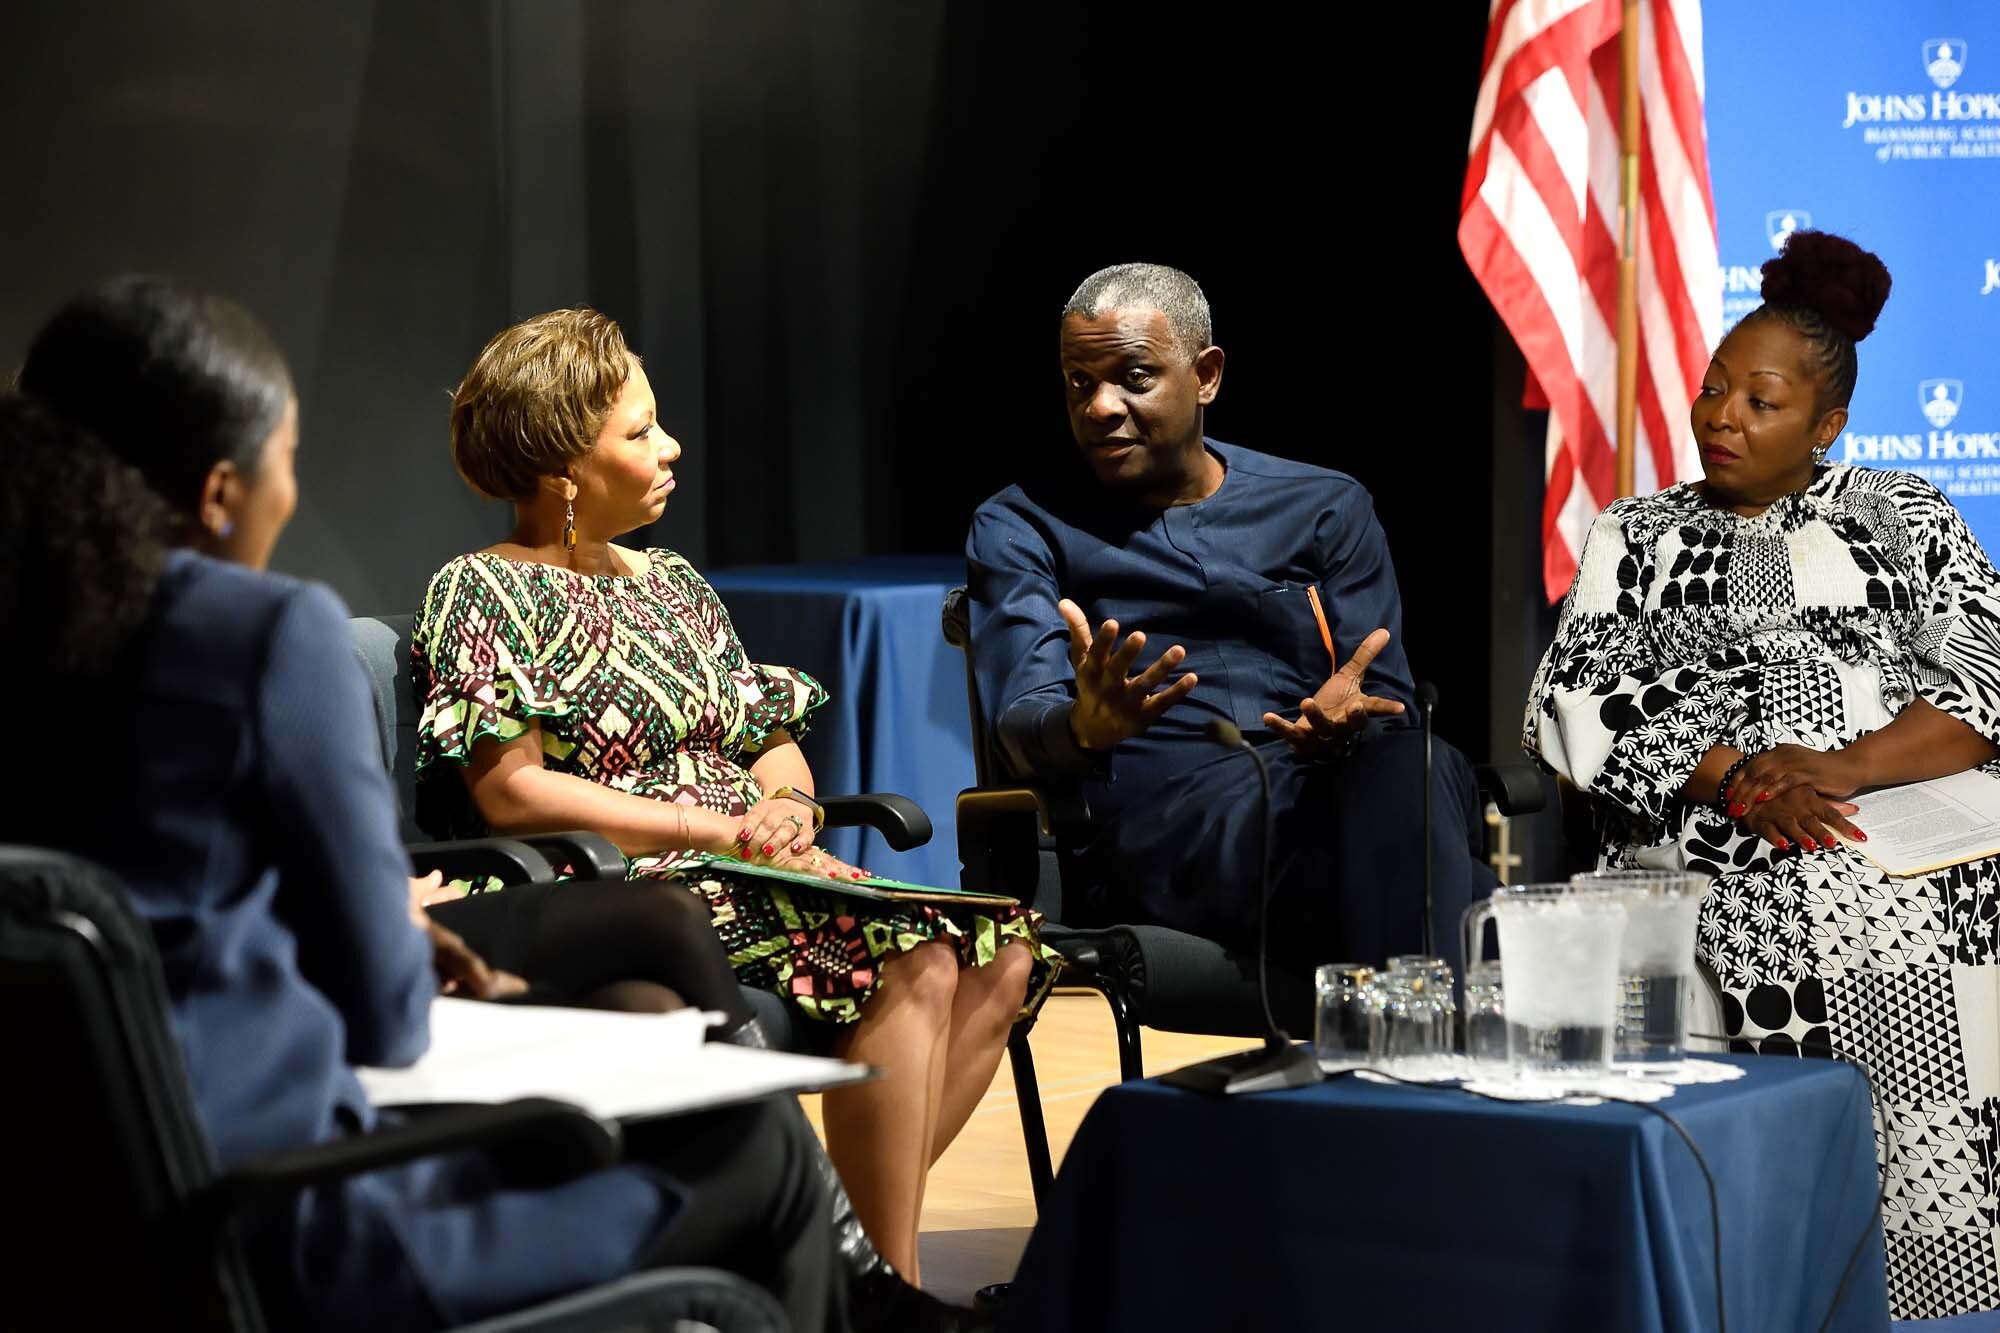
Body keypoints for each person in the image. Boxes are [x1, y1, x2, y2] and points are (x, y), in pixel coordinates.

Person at [0, 276, 954, 1332]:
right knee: (760, 1152)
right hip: (298, 1226)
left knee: (650, 977)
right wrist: (407, 935)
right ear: (223, 492)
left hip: (67, 1236)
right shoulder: (264, 637)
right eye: (291, 460)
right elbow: (383, 1013)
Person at [413, 307, 1060, 1282]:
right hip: (615, 881)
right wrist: (703, 822)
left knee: (1003, 946)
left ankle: (833, 1259)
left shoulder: (673, 581)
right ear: (561, 473)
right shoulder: (481, 590)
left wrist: (788, 807)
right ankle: (889, 1281)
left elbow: (768, 741)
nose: (671, 447)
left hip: (746, 860)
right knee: (914, 956)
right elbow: (512, 791)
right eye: (638, 433)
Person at [1526, 231, 2000, 1321]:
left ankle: (1935, 1285)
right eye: (1711, 390)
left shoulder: (1902, 510)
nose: (1721, 417)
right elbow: (1575, 698)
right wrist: (1740, 778)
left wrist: (1839, 767)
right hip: (1711, 830)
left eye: (1761, 400)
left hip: (1897, 816)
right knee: (1789, 889)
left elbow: (1980, 673)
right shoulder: (1635, 533)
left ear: (1826, 425)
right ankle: (1762, 1279)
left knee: (1931, 897)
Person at [965, 262, 1491, 981]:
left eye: (1133, 377)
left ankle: (1395, 1061)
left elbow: (1388, 704)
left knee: (1417, 765)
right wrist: (1084, 725)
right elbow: (1020, 720)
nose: (1099, 407)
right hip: (1166, 829)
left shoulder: (1325, 507)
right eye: (1079, 382)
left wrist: (1349, 726)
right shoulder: (1022, 523)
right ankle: (1416, 1067)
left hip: (1328, 798)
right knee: (1491, 917)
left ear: (1206, 375)